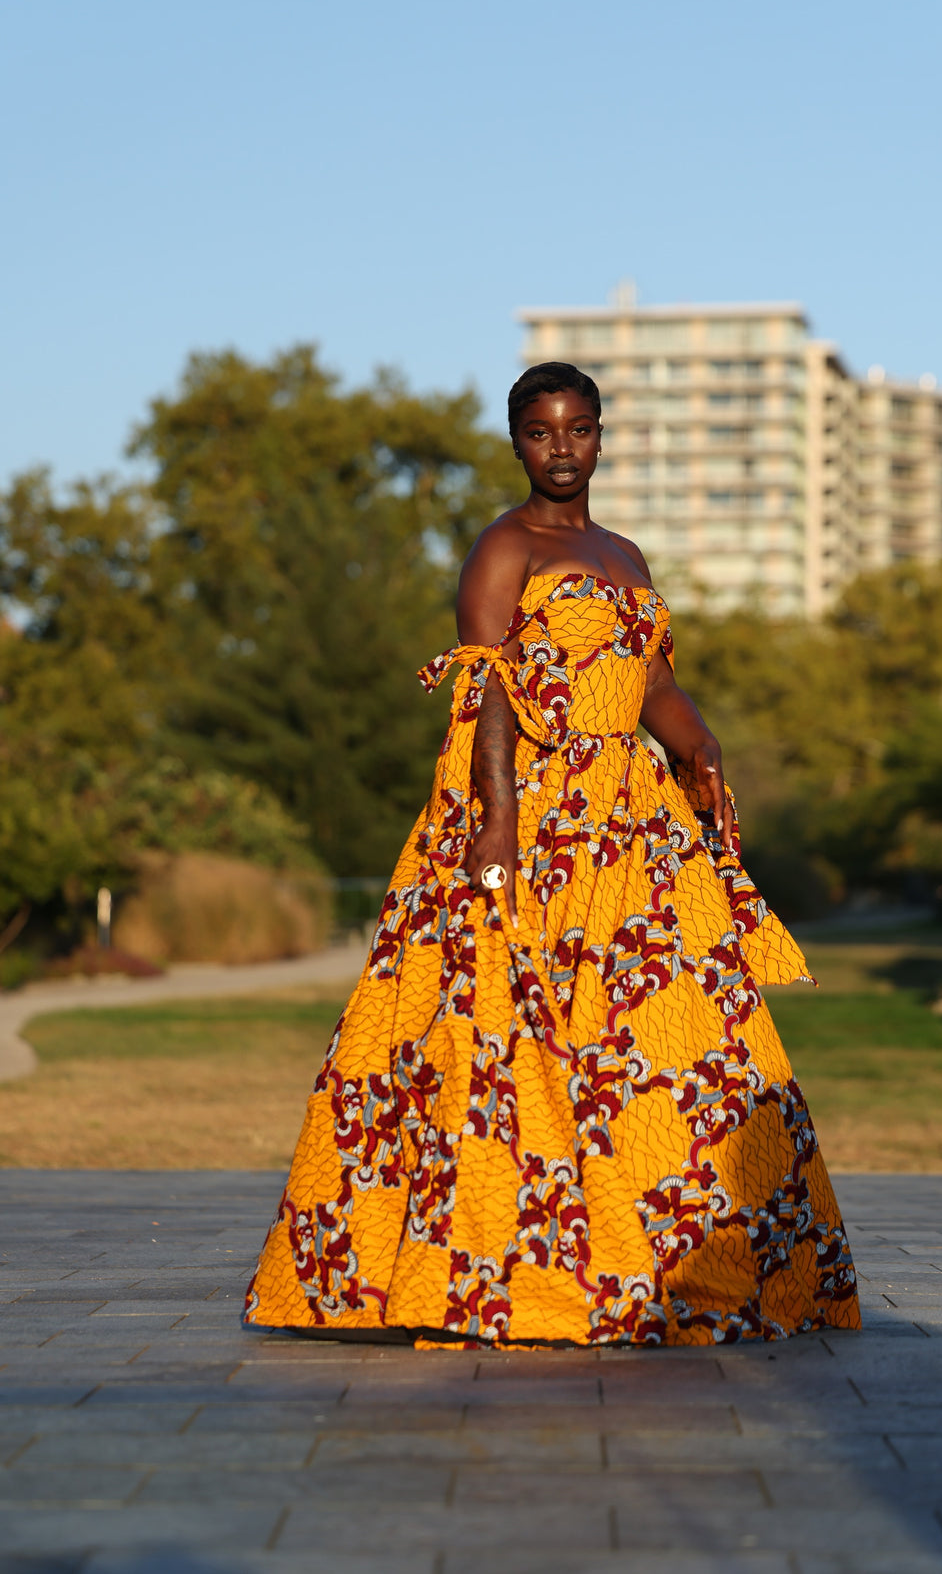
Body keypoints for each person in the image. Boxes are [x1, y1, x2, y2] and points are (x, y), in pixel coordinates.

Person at [244, 361, 860, 1348]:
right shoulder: (505, 547)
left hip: (636, 824)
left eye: (578, 429)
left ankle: (681, 1261)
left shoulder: (625, 553)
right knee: (506, 1035)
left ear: (602, 435)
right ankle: (505, 1272)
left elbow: (652, 681)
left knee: (678, 1038)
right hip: (536, 815)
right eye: (541, 432)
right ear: (517, 442)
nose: (561, 448)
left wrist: (698, 747)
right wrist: (496, 823)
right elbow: (483, 689)